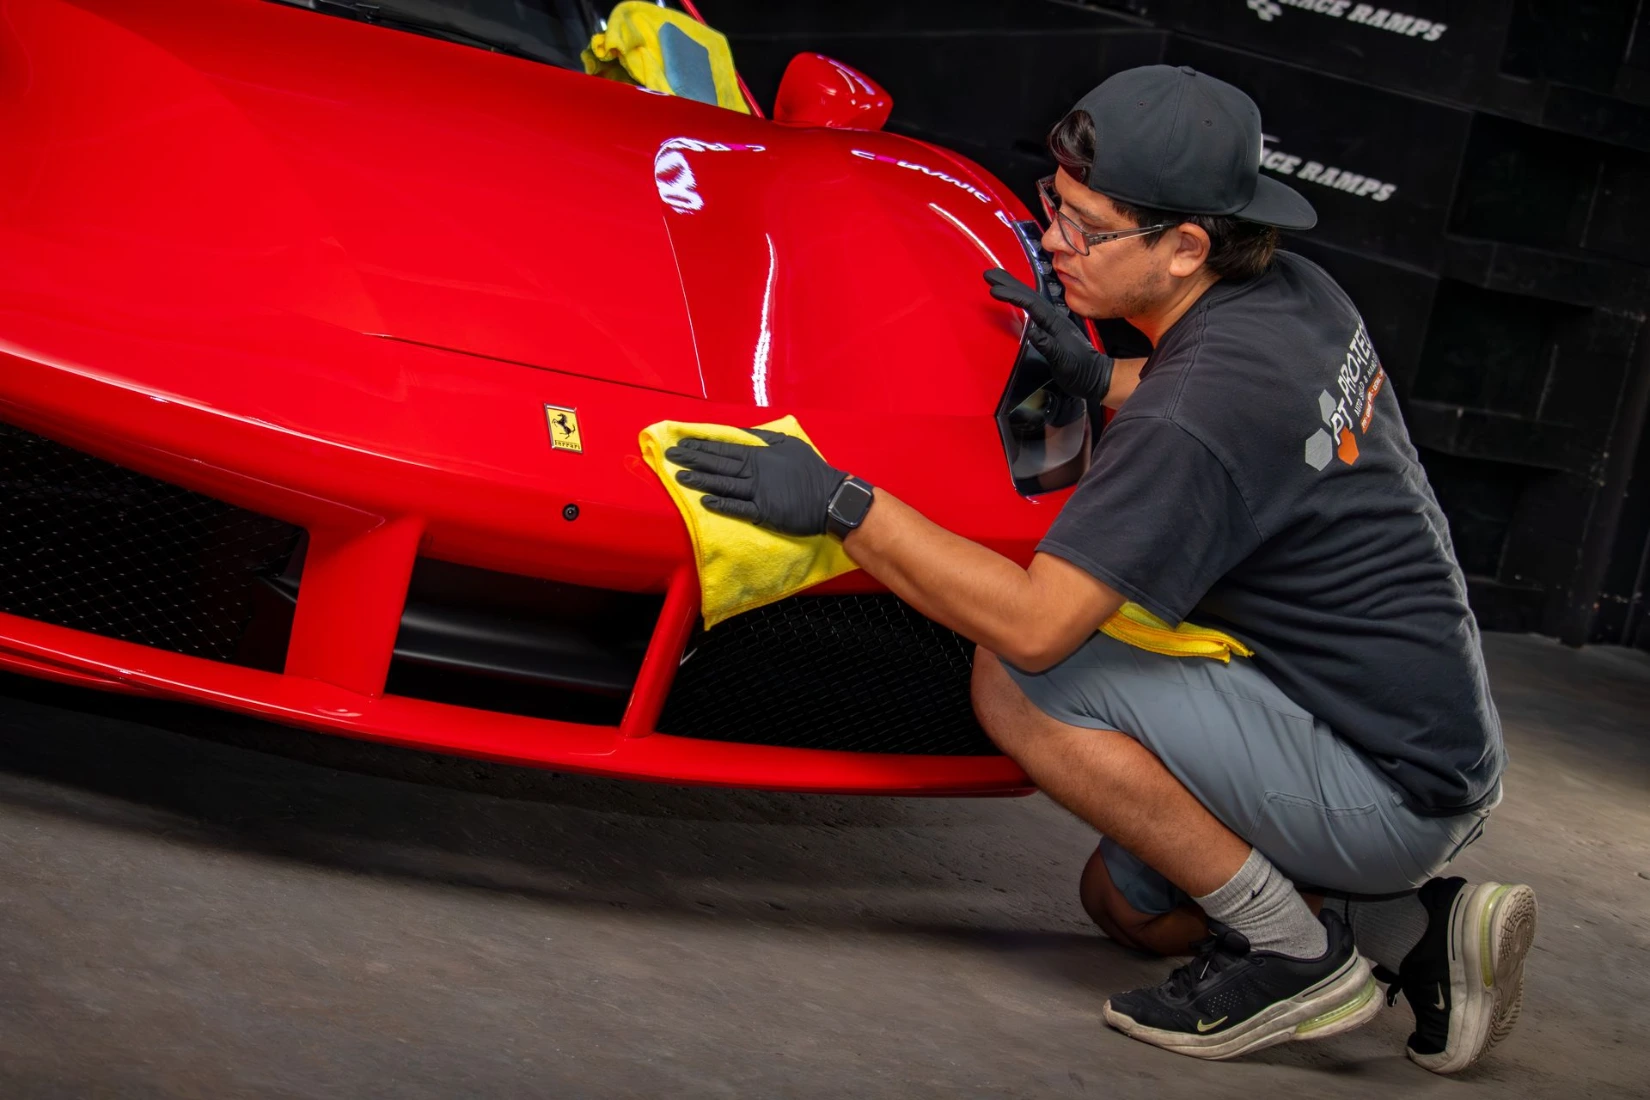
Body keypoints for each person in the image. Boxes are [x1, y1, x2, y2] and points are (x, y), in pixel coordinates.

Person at [667, 65, 1535, 1069]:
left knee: (1022, 679)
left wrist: (842, 503)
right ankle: (1414, 934)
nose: (1051, 241)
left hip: (1385, 781)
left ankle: (1297, 953)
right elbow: (1217, 399)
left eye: (1088, 228)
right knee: (1121, 902)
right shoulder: (1298, 294)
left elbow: (1038, 622)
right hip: (1413, 734)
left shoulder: (1193, 420)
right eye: (1055, 207)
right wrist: (1094, 374)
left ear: (1186, 247)